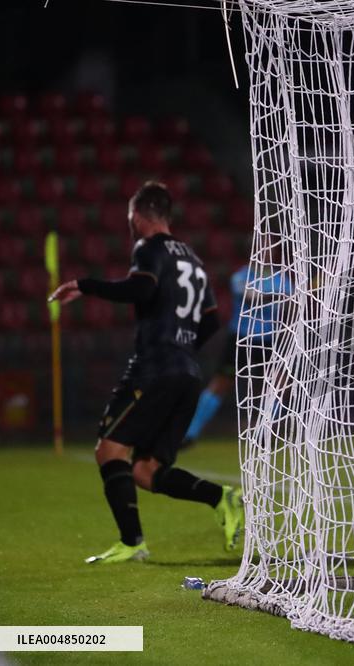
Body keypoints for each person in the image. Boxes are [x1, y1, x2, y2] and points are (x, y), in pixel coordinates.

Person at [49, 181, 245, 564]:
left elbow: (141, 290)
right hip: (187, 373)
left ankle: (132, 541)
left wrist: (83, 285)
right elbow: (211, 321)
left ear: (138, 216)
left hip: (155, 369)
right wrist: (182, 349)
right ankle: (221, 498)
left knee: (109, 450)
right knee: (145, 470)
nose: (130, 224)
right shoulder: (193, 259)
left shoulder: (149, 248)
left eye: (130, 218)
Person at [181, 252, 291, 446]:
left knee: (281, 386)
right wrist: (277, 295)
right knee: (220, 385)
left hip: (268, 342)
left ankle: (261, 432)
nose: (266, 251)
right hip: (241, 340)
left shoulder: (282, 280)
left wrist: (294, 300)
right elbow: (251, 297)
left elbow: (293, 307)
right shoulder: (242, 276)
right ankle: (190, 433)